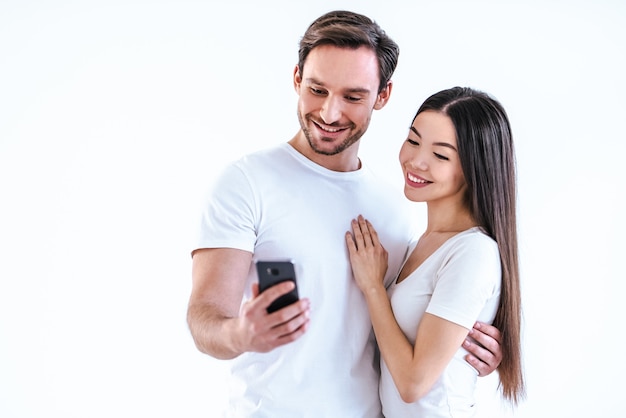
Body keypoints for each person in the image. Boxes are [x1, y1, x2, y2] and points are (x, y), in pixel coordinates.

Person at [186, 11, 503, 417]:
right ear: (297, 78)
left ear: (383, 96)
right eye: (317, 89)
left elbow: (405, 327)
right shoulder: (247, 183)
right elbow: (204, 319)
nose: (331, 113)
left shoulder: (397, 207)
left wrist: (470, 351)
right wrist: (240, 333)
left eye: (353, 97)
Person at [346, 86, 525, 417]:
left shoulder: (473, 252)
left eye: (441, 155)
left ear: (475, 169)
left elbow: (414, 384)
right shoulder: (421, 243)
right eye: (413, 141)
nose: (416, 161)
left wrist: (373, 287)